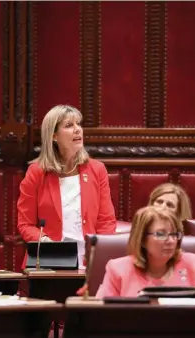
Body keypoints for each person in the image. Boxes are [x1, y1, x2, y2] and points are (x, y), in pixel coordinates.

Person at [17, 104, 116, 268]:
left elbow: (106, 221)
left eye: (78, 124)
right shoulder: (36, 173)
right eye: (69, 125)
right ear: (54, 136)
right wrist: (46, 242)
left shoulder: (97, 170)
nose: (78, 130)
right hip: (49, 263)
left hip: (88, 263)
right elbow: (25, 225)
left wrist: (98, 256)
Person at [95, 206, 195, 298]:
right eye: (161, 234)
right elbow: (100, 316)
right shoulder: (118, 270)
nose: (171, 241)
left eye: (174, 234)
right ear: (142, 239)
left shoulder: (194, 265)